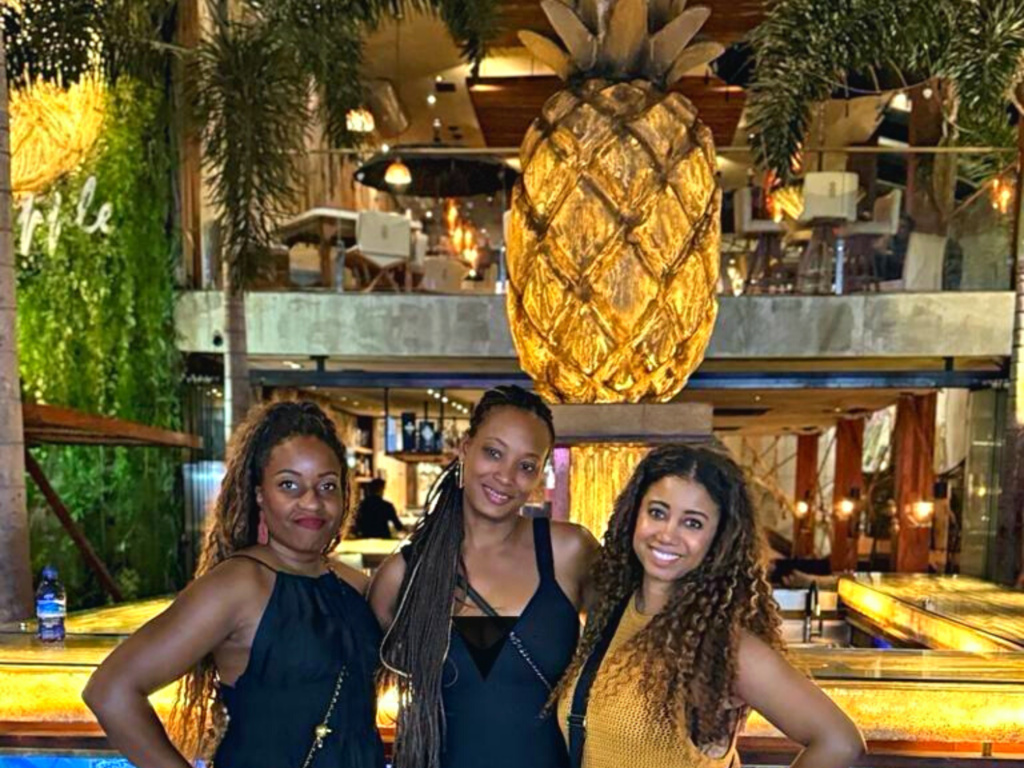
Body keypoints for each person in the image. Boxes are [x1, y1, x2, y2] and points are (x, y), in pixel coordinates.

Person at [83, 401, 384, 768]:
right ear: (260, 494)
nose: (312, 502)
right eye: (289, 484)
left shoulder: (352, 584)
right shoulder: (239, 584)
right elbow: (110, 691)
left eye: (327, 485)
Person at [556, 444, 865, 768]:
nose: (667, 534)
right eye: (658, 512)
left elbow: (839, 742)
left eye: (693, 523)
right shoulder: (610, 611)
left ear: (719, 539)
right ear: (634, 515)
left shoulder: (724, 645)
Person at [369, 385, 599, 768]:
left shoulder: (568, 551)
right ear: (465, 447)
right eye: (493, 453)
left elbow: (632, 639)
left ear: (539, 474)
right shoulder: (406, 574)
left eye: (526, 466)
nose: (506, 477)